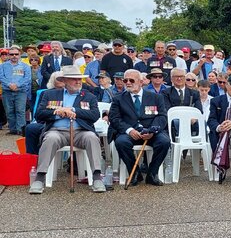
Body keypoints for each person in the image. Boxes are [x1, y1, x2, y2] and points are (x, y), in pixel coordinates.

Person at [29, 66, 106, 194]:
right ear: (64, 81)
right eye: (73, 79)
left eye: (79, 79)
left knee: (92, 137)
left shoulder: (88, 96)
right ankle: (40, 178)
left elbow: (94, 115)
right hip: (57, 131)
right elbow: (39, 114)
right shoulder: (49, 94)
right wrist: (58, 112)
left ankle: (97, 177)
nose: (78, 82)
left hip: (81, 131)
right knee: (50, 138)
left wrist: (74, 110)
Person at [109, 68, 170, 186]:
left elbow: (162, 116)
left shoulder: (156, 97)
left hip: (151, 131)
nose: (127, 83)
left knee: (164, 141)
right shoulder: (118, 99)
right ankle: (135, 172)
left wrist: (153, 130)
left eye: (131, 80)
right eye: (125, 80)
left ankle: (152, 173)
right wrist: (129, 130)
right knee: (121, 142)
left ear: (141, 82)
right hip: (130, 131)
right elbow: (115, 119)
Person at [0, 45, 31, 135]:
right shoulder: (2, 66)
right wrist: (9, 85)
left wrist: (17, 85)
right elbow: (1, 77)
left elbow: (27, 78)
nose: (14, 56)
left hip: (21, 91)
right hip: (7, 91)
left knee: (20, 110)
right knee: (9, 111)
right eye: (12, 54)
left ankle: (21, 129)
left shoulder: (25, 66)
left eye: (16, 54)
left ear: (20, 54)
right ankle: (13, 129)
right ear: (9, 55)